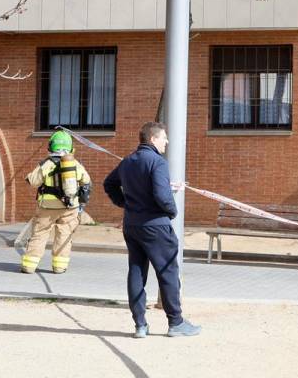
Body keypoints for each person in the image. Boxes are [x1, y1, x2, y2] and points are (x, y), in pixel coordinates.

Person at [103, 122, 200, 338]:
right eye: (164, 137)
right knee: (168, 272)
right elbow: (161, 196)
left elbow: (109, 184)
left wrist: (126, 204)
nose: (167, 142)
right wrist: (172, 212)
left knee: (136, 271)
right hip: (156, 226)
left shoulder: (128, 161)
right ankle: (175, 322)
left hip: (132, 225)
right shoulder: (158, 162)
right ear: (153, 139)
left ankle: (140, 325)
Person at [21, 129, 91, 274]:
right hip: (70, 207)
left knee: (40, 234)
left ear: (50, 146)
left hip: (47, 207)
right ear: (71, 147)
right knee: (64, 235)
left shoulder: (47, 164)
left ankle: (29, 266)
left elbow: (33, 181)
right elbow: (86, 181)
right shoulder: (75, 164)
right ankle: (59, 266)